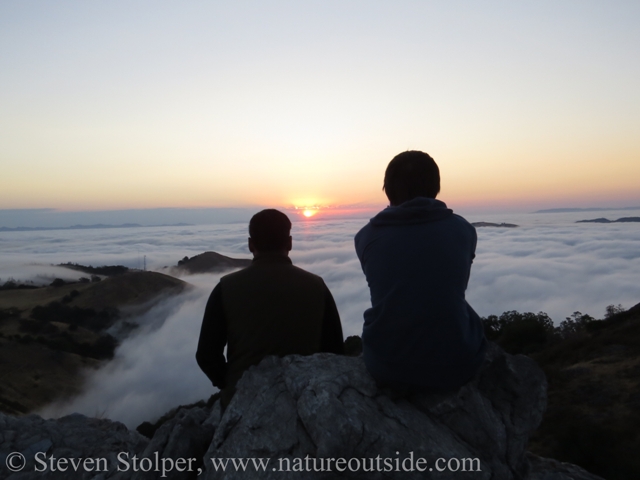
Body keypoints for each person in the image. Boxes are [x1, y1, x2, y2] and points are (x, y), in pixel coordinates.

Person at [354, 151, 486, 392]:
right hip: (457, 364)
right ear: (436, 187)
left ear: (387, 188)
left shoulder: (366, 237)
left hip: (387, 365)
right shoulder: (464, 231)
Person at [196, 209, 344, 408]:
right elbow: (334, 352)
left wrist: (233, 385)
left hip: (243, 407)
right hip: (308, 404)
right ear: (289, 243)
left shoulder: (225, 288)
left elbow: (206, 355)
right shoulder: (317, 286)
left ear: (250, 244)